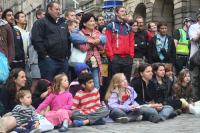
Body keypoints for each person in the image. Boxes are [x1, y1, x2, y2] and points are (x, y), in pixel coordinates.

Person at [31, 1, 71, 81]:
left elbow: (68, 40)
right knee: (49, 87)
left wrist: (67, 55)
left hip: (63, 61)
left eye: (59, 9)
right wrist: (45, 56)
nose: (59, 11)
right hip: (49, 61)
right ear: (49, 9)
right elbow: (36, 41)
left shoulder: (63, 24)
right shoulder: (40, 23)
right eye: (56, 9)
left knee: (62, 88)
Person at [76, 13, 106, 89]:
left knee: (96, 86)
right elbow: (83, 48)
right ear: (84, 23)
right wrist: (92, 41)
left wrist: (97, 41)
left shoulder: (97, 32)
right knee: (85, 86)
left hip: (95, 63)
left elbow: (102, 48)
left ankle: (95, 100)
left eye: (93, 21)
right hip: (84, 64)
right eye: (90, 21)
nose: (93, 23)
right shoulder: (79, 33)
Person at [105, 6, 134, 82]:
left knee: (126, 81)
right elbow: (107, 42)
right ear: (116, 13)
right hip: (115, 58)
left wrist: (131, 56)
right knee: (115, 82)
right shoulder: (110, 26)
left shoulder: (128, 27)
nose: (124, 13)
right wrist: (111, 56)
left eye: (125, 11)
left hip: (127, 59)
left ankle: (125, 94)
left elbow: (131, 42)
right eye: (121, 11)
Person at [188, 11, 200, 99]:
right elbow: (194, 39)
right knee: (194, 79)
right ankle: (194, 99)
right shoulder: (193, 27)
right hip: (195, 58)